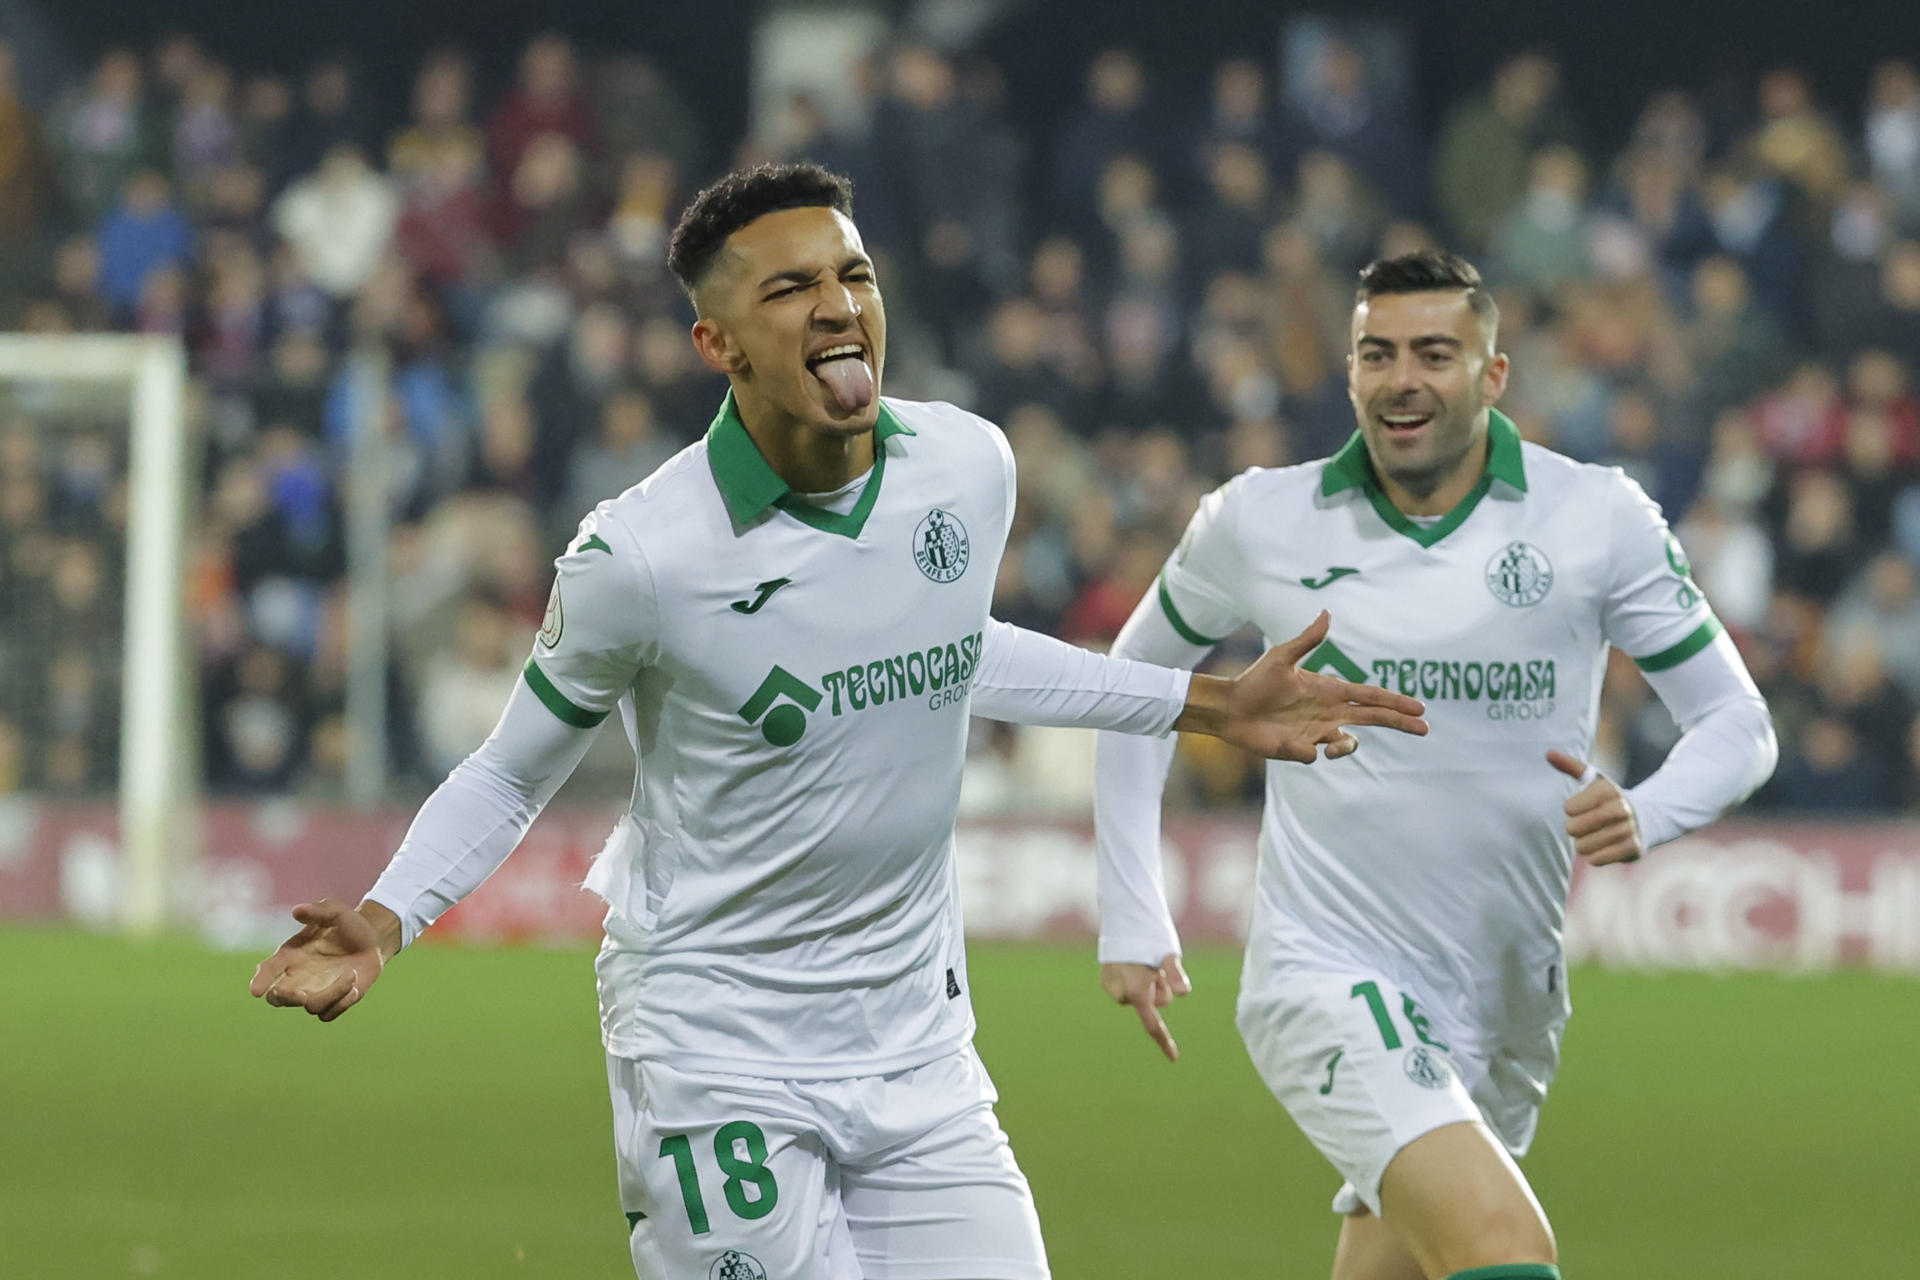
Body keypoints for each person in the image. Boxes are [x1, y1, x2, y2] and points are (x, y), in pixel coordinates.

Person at [249, 163, 1429, 1280]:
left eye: (851, 275)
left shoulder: (967, 467)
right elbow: (513, 773)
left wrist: (1208, 701)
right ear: (716, 343)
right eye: (789, 287)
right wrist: (389, 917)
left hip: (918, 1046)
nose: (836, 307)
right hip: (717, 1046)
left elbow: (943, 649)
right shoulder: (639, 556)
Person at [1093, 250, 1778, 1280]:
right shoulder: (1260, 519)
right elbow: (1131, 689)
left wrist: (1652, 807)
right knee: (1505, 1248)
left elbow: (1737, 720)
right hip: (1330, 971)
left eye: (1433, 353)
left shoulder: (1594, 517)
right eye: (1377, 353)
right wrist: (1134, 908)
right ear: (1350, 369)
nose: (1401, 377)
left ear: (1493, 374)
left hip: (1508, 992)